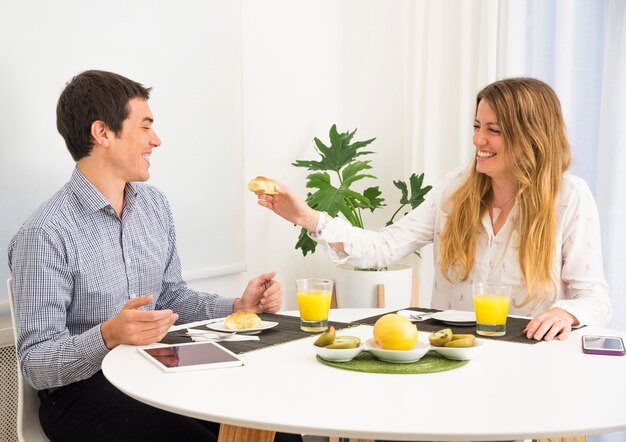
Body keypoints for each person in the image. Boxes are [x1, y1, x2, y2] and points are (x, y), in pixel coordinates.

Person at [8, 70, 301, 442]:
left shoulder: (154, 206)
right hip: (82, 392)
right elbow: (36, 364)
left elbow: (172, 297)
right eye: (145, 127)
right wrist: (107, 336)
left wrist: (237, 306)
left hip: (156, 364)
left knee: (277, 427)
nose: (156, 140)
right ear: (103, 133)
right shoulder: (44, 234)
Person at [256, 77, 612, 341]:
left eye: (494, 130)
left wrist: (567, 312)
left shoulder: (569, 198)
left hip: (532, 361)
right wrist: (306, 217)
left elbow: (594, 297)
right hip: (453, 355)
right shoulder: (453, 191)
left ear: (531, 135)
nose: (477, 141)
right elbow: (383, 247)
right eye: (476, 127)